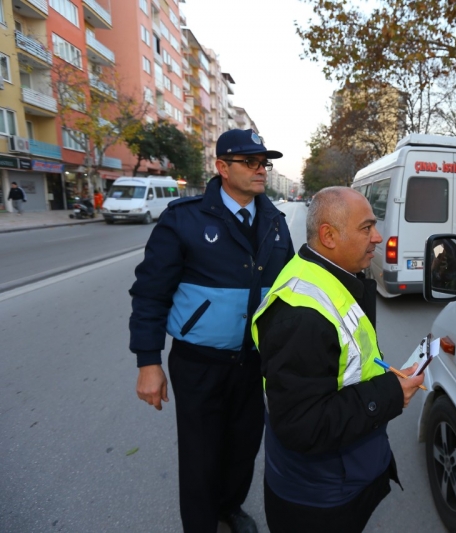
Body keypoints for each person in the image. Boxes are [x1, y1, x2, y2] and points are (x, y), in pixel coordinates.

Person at [130, 128, 294, 533]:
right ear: (222, 167)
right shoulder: (184, 219)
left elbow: (289, 291)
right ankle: (201, 525)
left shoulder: (274, 221)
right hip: (199, 363)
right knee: (201, 454)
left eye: (264, 163)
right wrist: (148, 362)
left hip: (253, 363)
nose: (261, 170)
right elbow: (150, 293)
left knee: (243, 447)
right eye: (249, 162)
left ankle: (229, 508)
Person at [251, 186, 425, 533]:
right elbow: (303, 425)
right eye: (366, 228)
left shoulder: (331, 275)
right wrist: (388, 394)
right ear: (328, 236)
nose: (377, 237)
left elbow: (339, 362)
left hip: (336, 478)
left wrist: (381, 377)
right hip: (318, 499)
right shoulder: (300, 316)